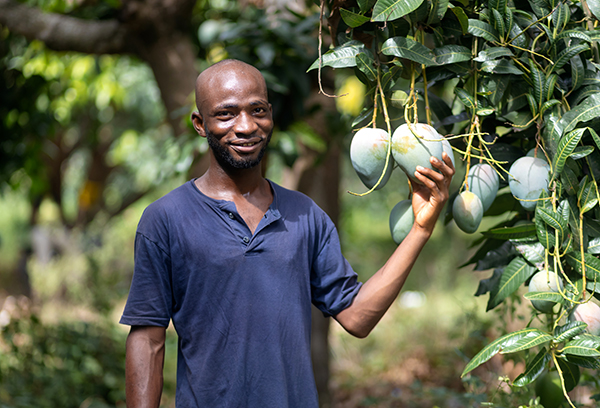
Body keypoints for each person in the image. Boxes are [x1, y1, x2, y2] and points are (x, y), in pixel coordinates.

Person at [120, 59, 455, 407]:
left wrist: (420, 228)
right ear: (200, 124)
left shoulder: (306, 215)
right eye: (226, 114)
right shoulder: (166, 220)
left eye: (258, 110)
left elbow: (357, 317)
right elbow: (147, 339)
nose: (246, 126)